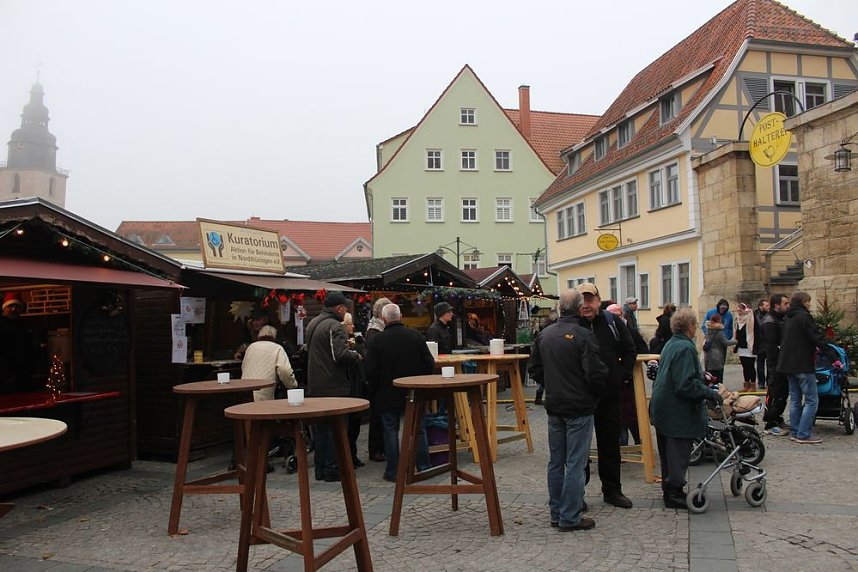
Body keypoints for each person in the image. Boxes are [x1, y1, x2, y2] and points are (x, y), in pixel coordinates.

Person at [528, 288, 609, 531]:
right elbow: (595, 374)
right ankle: (569, 516)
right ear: (577, 307)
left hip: (556, 406)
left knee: (556, 462)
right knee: (575, 463)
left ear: (560, 308)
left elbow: (534, 369)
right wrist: (591, 396)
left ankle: (557, 513)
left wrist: (550, 385)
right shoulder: (584, 335)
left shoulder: (545, 335)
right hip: (579, 407)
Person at [649, 307, 724, 509]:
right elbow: (686, 384)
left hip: (663, 408)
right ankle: (673, 492)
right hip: (675, 411)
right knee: (677, 452)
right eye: (696, 325)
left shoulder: (671, 344)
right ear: (690, 327)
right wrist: (710, 393)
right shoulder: (685, 347)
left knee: (668, 452)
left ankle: (670, 490)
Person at [574, 283, 637, 509]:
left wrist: (621, 376)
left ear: (599, 301)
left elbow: (630, 350)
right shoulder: (572, 324)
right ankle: (576, 494)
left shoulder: (613, 323)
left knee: (610, 445)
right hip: (580, 396)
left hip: (609, 395)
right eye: (582, 301)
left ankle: (612, 490)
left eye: (590, 300)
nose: (586, 305)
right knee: (578, 449)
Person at [364, 303, 435, 483]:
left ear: (384, 318)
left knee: (390, 431)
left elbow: (370, 370)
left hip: (387, 393)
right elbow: (429, 363)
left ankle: (394, 471)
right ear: (401, 316)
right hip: (414, 391)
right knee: (418, 430)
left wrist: (376, 388)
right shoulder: (415, 336)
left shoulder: (377, 341)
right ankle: (424, 466)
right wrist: (421, 381)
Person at [305, 291, 362, 482]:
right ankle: (332, 469)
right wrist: (356, 355)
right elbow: (340, 355)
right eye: (344, 307)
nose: (345, 310)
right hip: (333, 386)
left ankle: (320, 469)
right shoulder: (335, 326)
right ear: (339, 308)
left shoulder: (313, 323)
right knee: (335, 429)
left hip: (316, 383)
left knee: (321, 429)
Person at [776, 291, 830, 445]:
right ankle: (804, 434)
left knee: (795, 399)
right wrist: (831, 355)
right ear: (802, 302)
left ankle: (795, 431)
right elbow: (816, 337)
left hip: (787, 365)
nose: (810, 304)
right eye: (808, 302)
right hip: (802, 364)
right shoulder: (804, 317)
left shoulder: (788, 317)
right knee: (812, 400)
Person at [241, 325, 297, 401]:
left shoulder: (251, 347)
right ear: (274, 336)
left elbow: (243, 367)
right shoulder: (277, 348)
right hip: (264, 395)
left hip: (245, 393)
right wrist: (292, 385)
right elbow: (285, 370)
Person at [365, 297, 391, 462]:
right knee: (377, 416)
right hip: (377, 379)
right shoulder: (374, 331)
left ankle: (381, 447)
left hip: (381, 378)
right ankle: (375, 449)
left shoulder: (377, 329)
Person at [761, 294, 790, 435]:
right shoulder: (769, 321)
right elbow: (772, 346)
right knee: (774, 392)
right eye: (785, 303)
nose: (788, 306)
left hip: (783, 362)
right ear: (777, 305)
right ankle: (770, 423)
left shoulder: (781, 319)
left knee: (783, 393)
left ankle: (777, 417)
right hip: (775, 364)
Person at [342, 312, 367, 467]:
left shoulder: (355, 344)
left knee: (354, 425)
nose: (353, 326)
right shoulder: (344, 348)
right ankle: (349, 456)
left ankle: (353, 454)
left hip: (356, 388)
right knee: (350, 425)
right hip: (350, 389)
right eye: (350, 324)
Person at [0, 292, 36, 394]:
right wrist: (7, 375)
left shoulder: (22, 325)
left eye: (17, 306)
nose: (13, 309)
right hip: (7, 378)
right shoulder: (2, 325)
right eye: (11, 306)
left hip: (21, 376)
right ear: (4, 308)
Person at [702, 314, 736, 384]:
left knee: (710, 378)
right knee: (718, 378)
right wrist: (736, 341)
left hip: (708, 357)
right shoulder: (719, 331)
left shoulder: (708, 330)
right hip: (717, 357)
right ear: (719, 320)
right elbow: (725, 342)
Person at [733, 303, 760, 392]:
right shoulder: (738, 319)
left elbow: (756, 331)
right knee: (744, 366)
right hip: (741, 346)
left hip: (749, 345)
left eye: (740, 310)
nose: (739, 312)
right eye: (738, 310)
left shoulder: (751, 317)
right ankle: (746, 384)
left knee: (750, 366)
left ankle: (752, 385)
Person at [754, 299, 770, 389]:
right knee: (760, 365)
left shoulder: (770, 315)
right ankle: (761, 382)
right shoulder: (755, 316)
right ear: (760, 306)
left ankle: (769, 382)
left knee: (769, 365)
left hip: (768, 343)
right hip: (760, 343)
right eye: (766, 305)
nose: (768, 307)